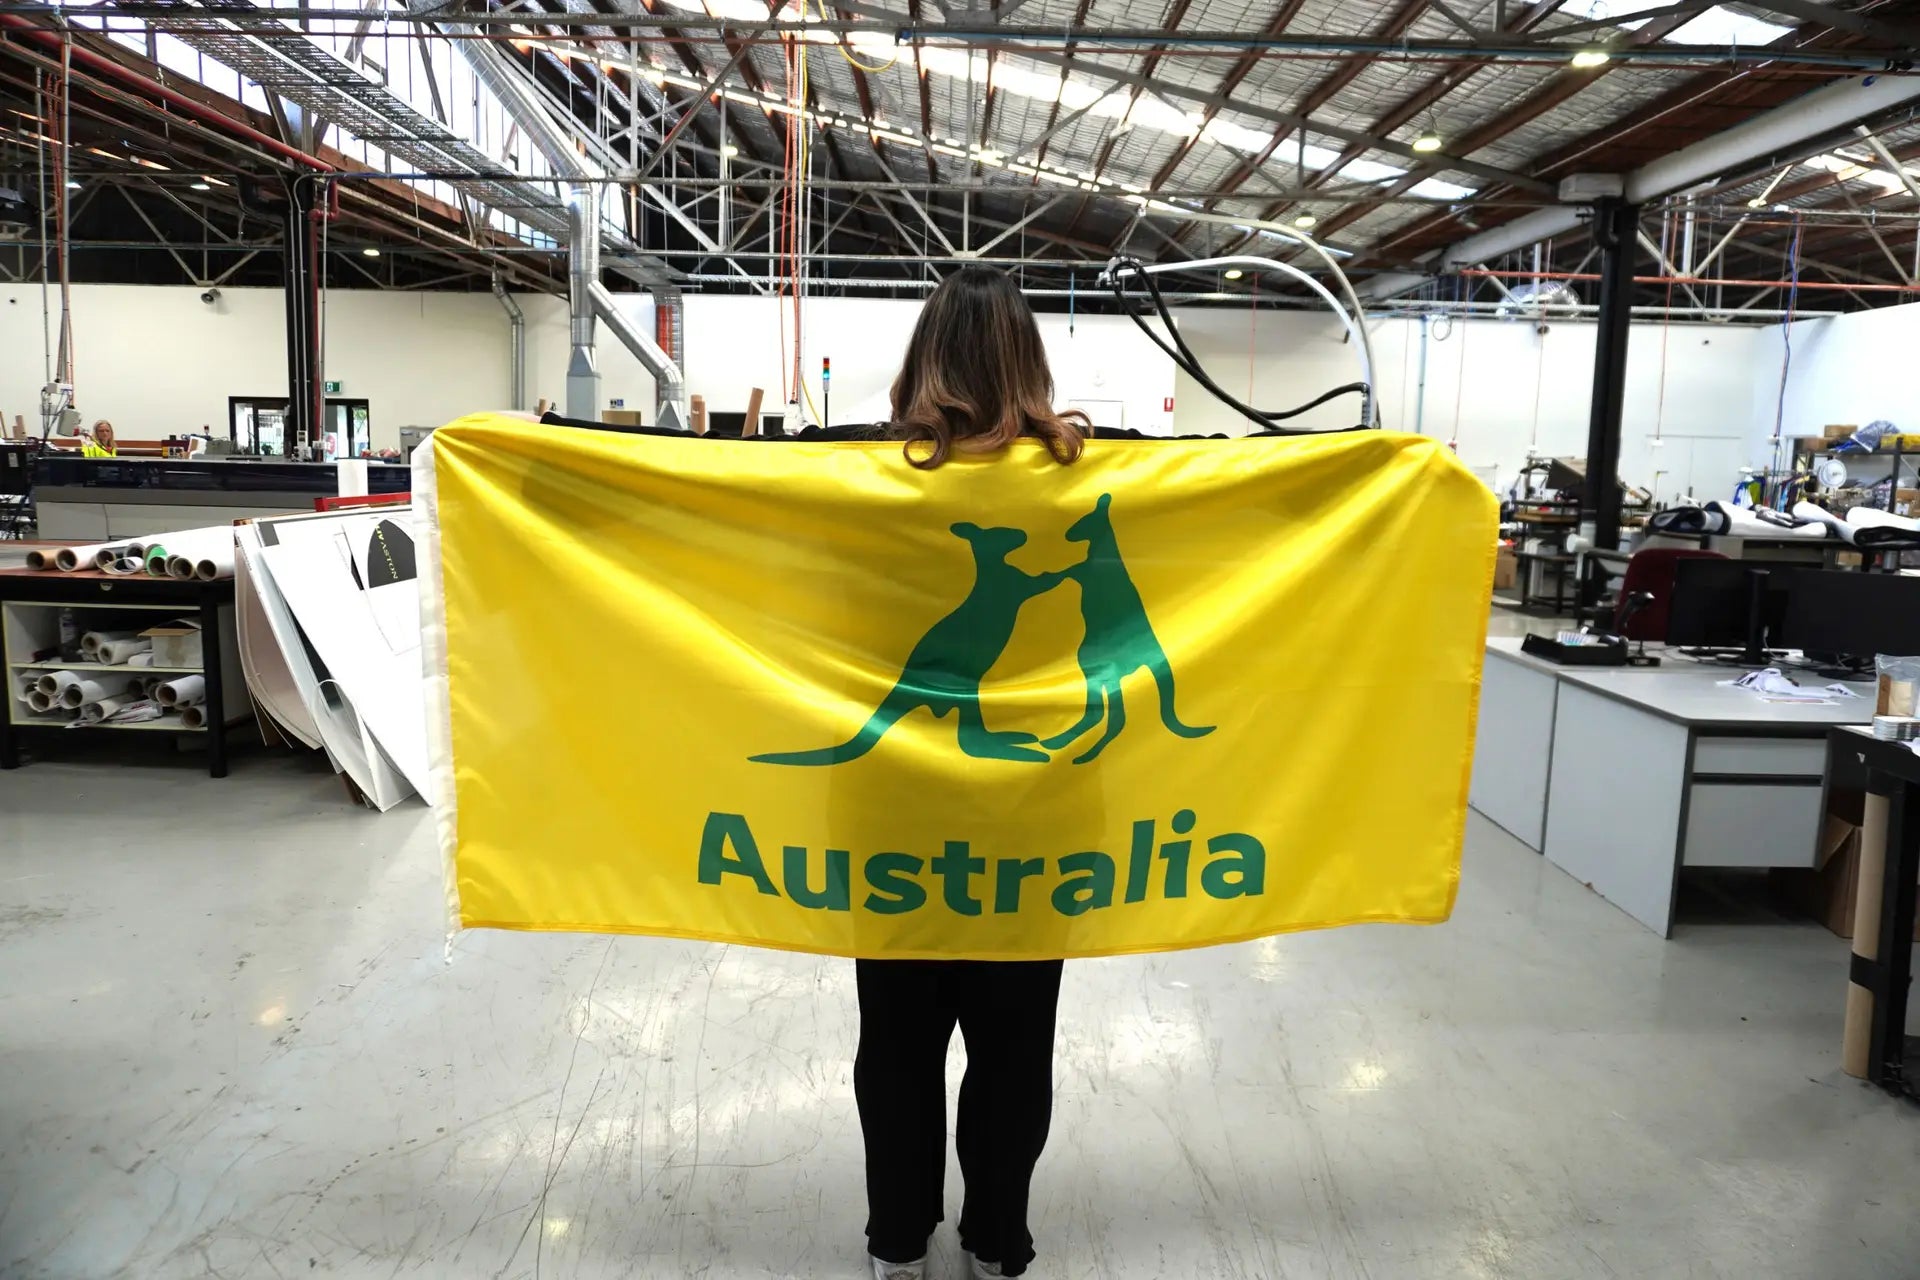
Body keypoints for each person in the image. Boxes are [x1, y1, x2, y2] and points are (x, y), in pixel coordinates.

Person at [853, 267, 1090, 1280]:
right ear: (1029, 363)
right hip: (1035, 812)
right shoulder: (1091, 476)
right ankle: (999, 1233)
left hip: (890, 808)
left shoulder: (858, 474)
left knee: (896, 1039)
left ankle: (899, 1237)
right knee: (1015, 1038)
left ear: (922, 359)